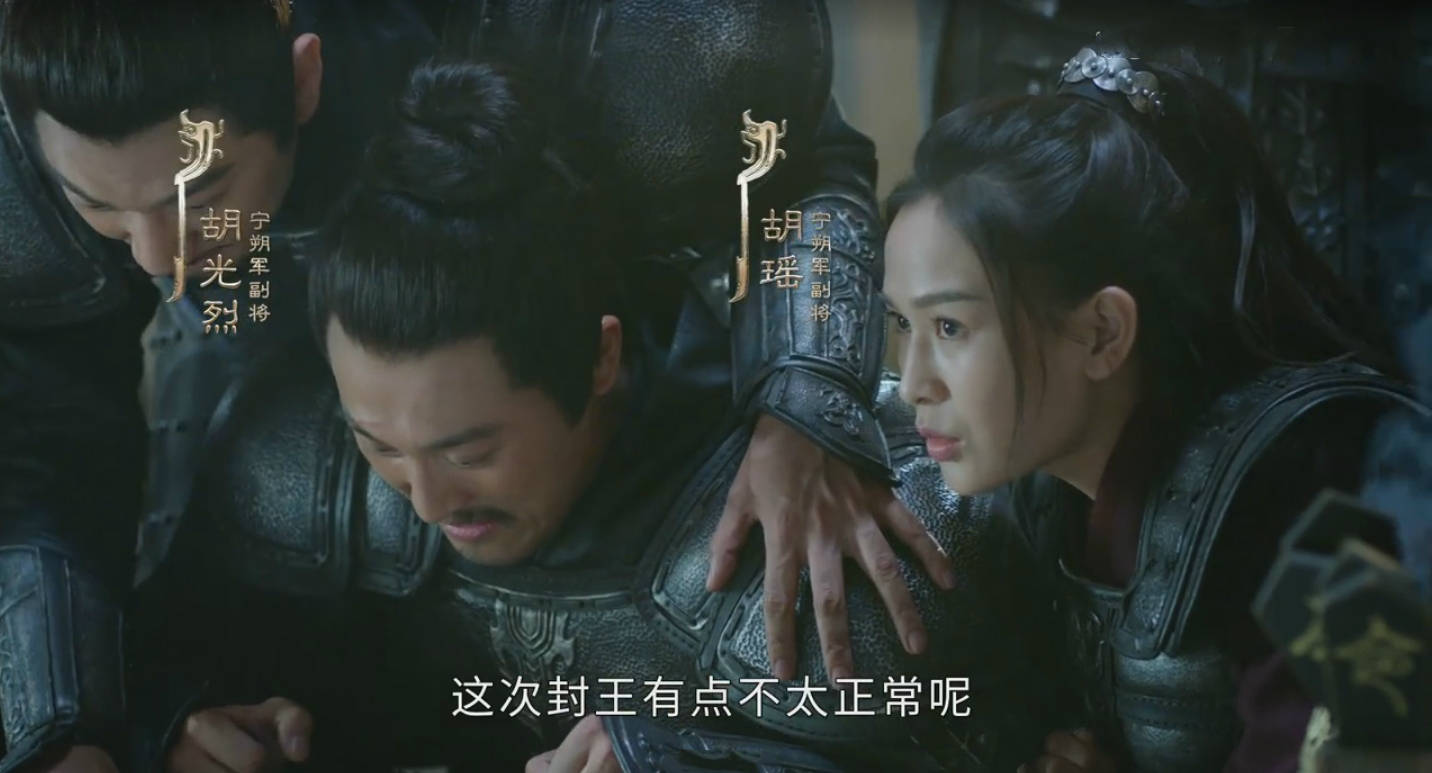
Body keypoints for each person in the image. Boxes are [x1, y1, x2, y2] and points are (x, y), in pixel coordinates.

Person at [0, 1, 949, 769]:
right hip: (315, 433)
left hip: (629, 415)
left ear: (303, 77)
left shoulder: (608, 47)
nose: (157, 260)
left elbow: (789, 176)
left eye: (199, 198)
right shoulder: (288, 469)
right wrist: (83, 728)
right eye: (99, 209)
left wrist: (804, 400)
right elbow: (43, 433)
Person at [880, 40, 1424, 773]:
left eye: (950, 327)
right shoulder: (1047, 495)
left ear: (1103, 332)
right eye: (901, 323)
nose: (913, 381)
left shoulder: (1304, 480)